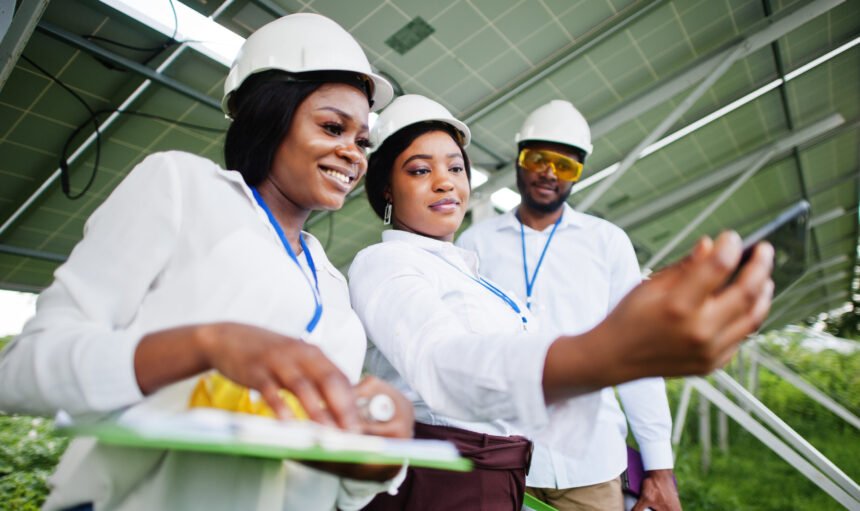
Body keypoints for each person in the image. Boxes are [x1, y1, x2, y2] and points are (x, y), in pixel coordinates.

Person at [0, 13, 413, 511]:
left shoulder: (330, 280)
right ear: (268, 115)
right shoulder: (180, 186)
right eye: (332, 127)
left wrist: (374, 463)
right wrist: (207, 344)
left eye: (362, 141)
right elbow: (20, 372)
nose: (353, 154)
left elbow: (336, 484)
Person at [348, 94, 774, 510]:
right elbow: (444, 361)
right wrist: (613, 352)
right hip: (457, 478)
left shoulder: (486, 261)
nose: (444, 181)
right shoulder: (393, 261)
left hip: (566, 461)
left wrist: (657, 462)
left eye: (456, 167)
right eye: (420, 170)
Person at [457, 99, 679, 511]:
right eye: (538, 158)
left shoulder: (607, 243)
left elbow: (634, 357)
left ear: (580, 173)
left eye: (566, 166)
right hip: (500, 462)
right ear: (519, 159)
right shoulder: (475, 244)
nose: (548, 172)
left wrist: (659, 468)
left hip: (589, 468)